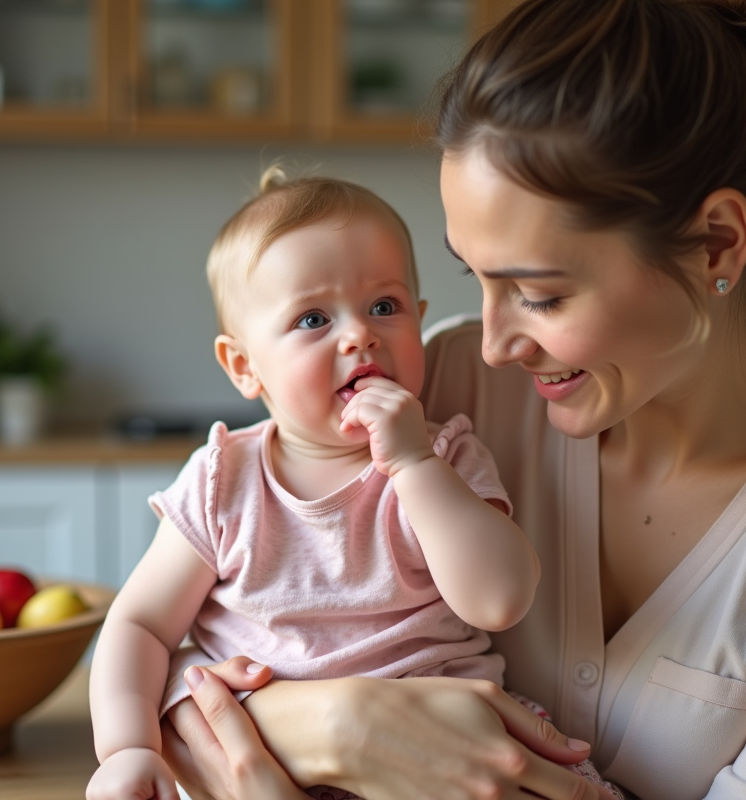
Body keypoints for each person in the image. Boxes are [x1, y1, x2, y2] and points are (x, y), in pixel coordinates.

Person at [156, 0, 746, 798]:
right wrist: (334, 724)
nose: (491, 341)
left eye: (541, 294)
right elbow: (181, 667)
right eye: (474, 279)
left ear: (717, 243)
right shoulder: (435, 392)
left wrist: (297, 739)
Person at [86, 170, 621, 800]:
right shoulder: (222, 481)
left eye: (384, 307)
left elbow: (499, 600)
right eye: (313, 318)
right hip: (271, 766)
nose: (358, 334)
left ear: (417, 324)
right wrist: (126, 749)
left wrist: (414, 467)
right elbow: (141, 626)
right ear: (244, 366)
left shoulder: (443, 455)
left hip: (441, 759)